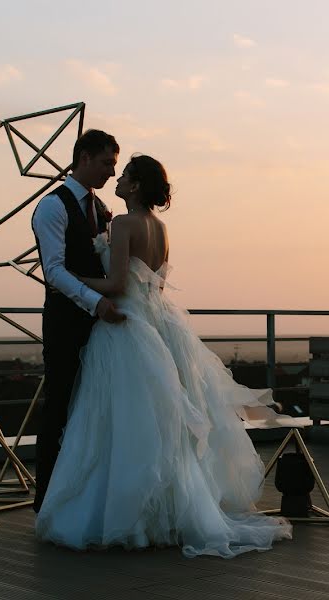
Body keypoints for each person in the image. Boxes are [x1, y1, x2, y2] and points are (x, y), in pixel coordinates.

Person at [35, 155, 292, 557]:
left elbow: (118, 284)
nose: (116, 179)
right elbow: (155, 283)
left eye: (122, 174)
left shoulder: (121, 224)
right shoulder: (162, 228)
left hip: (125, 326)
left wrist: (74, 280)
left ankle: (126, 515)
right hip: (159, 324)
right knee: (162, 426)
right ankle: (168, 512)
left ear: (135, 186)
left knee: (122, 422)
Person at [31, 129, 124, 513]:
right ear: (83, 158)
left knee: (94, 408)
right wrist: (95, 301)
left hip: (102, 327)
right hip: (66, 323)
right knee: (59, 406)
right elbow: (53, 270)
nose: (111, 172)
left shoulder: (102, 210)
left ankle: (84, 496)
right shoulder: (53, 206)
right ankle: (47, 500)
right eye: (106, 163)